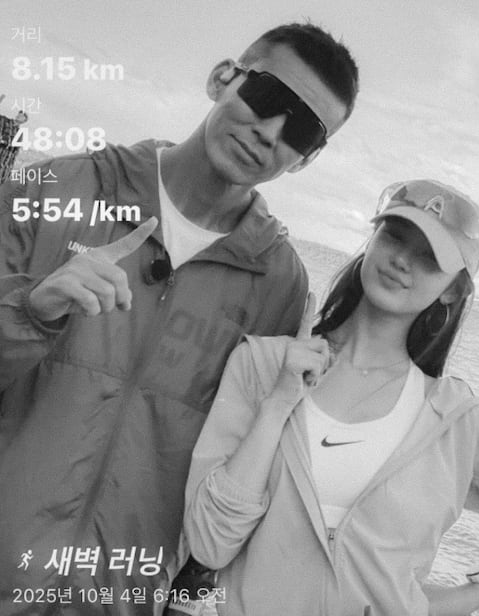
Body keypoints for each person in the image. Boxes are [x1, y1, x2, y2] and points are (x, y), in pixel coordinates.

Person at [0, 23, 359, 616]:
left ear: (307, 158)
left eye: (301, 130)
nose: (269, 132)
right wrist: (31, 309)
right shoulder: (56, 190)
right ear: (223, 78)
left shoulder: (279, 286)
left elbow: (239, 475)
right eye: (268, 96)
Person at [183, 179, 479, 616]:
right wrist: (277, 405)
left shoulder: (458, 419)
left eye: (428, 257)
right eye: (395, 236)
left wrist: (478, 592)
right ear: (373, 239)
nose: (402, 260)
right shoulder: (263, 364)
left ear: (452, 290)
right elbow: (210, 543)